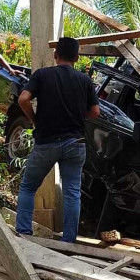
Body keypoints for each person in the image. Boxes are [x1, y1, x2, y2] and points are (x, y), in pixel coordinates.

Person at [15, 37, 100, 243]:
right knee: (72, 193)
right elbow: (95, 112)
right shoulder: (85, 81)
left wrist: (34, 119)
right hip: (75, 143)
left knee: (28, 187)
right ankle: (68, 242)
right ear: (77, 58)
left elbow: (23, 99)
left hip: (47, 142)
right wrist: (78, 111)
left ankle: (24, 235)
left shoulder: (42, 75)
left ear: (55, 55)